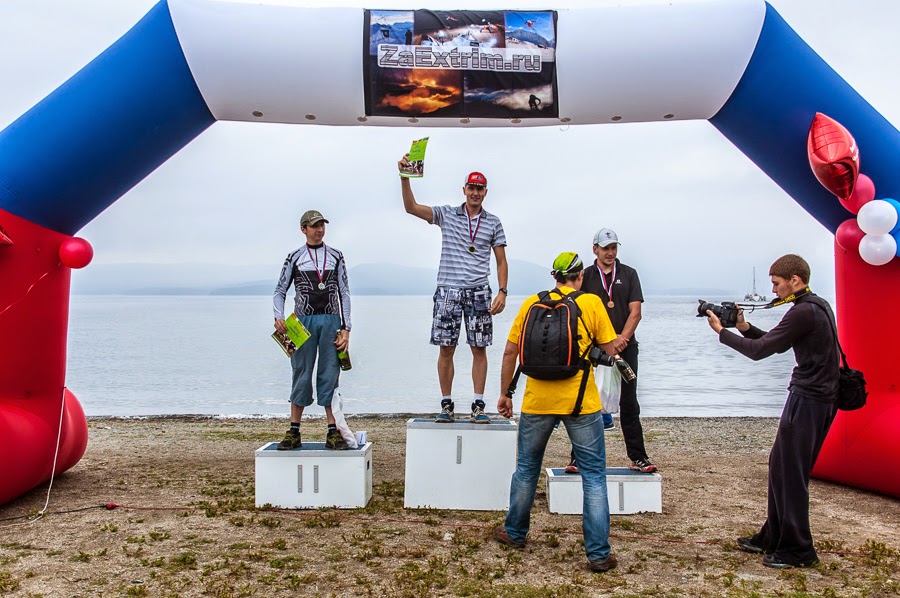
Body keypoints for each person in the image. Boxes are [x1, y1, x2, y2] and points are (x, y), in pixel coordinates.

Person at [705, 254, 839, 569]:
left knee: (791, 474)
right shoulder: (814, 306)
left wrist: (722, 333)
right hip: (815, 398)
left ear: (795, 280)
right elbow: (773, 342)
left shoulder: (803, 312)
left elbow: (759, 351)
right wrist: (744, 326)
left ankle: (798, 550)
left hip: (810, 399)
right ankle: (773, 535)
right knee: (780, 466)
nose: (775, 291)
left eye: (777, 284)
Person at [494, 252, 623, 572]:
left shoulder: (530, 305)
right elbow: (610, 350)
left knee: (526, 469)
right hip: (581, 403)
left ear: (555, 277)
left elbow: (511, 351)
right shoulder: (591, 303)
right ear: (579, 276)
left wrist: (505, 393)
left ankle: (515, 533)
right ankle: (598, 554)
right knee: (593, 476)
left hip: (537, 402)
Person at [397, 155, 509, 424]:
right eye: (471, 187)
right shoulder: (446, 214)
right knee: (445, 349)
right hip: (448, 290)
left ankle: (478, 405)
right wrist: (404, 177)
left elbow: (501, 260)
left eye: (480, 188)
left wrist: (502, 291)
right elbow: (411, 207)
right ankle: (446, 404)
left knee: (478, 348)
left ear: (485, 192)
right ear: (464, 190)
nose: (475, 192)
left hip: (479, 291)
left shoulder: (493, 222)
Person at [574, 228, 656, 473]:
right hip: (594, 349)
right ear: (595, 249)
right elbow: (578, 311)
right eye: (605, 248)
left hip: (625, 346)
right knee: (585, 401)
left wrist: (622, 338)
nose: (610, 253)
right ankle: (577, 457)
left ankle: (638, 456)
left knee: (629, 402)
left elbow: (636, 311)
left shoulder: (629, 274)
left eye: (613, 248)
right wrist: (601, 342)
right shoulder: (586, 275)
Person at [273, 210, 352, 451]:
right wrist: (278, 316)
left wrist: (346, 328)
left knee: (329, 373)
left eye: (321, 225)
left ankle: (332, 431)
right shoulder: (294, 257)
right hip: (302, 322)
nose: (319, 229)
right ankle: (294, 430)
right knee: (301, 372)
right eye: (314, 226)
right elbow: (279, 291)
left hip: (331, 320)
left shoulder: (337, 256)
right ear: (303, 229)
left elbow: (344, 292)